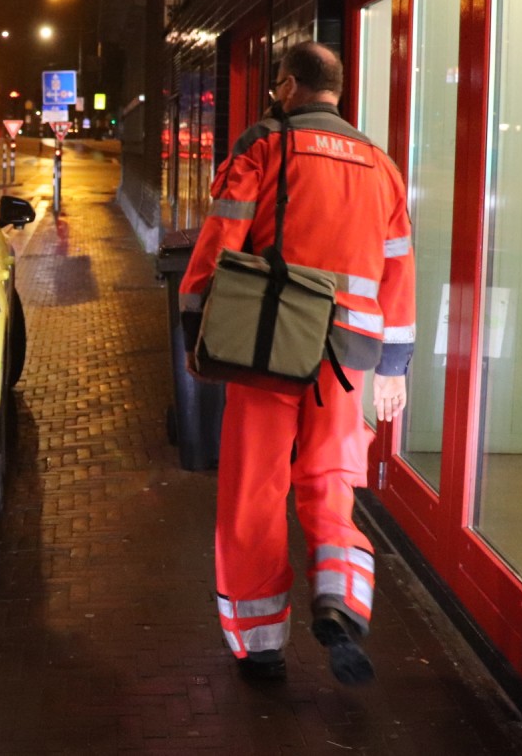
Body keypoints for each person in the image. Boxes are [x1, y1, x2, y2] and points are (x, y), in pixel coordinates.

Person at [180, 41, 416, 686]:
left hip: (268, 343)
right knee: (332, 482)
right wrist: (393, 363)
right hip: (350, 355)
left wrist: (195, 322)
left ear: (287, 86)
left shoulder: (266, 144)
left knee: (255, 489)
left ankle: (260, 645)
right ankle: (341, 597)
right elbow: (399, 267)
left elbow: (220, 237)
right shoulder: (382, 164)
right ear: (337, 92)